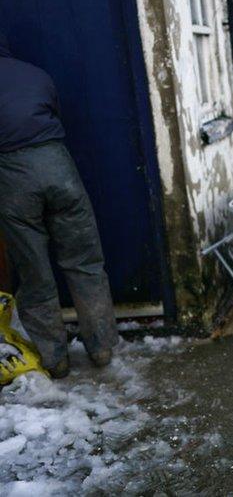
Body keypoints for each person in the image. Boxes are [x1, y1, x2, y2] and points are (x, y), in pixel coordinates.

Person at [0, 31, 119, 380]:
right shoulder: (36, 74)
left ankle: (55, 360)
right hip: (59, 167)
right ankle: (101, 348)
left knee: (35, 272)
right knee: (85, 262)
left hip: (12, 177)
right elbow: (56, 114)